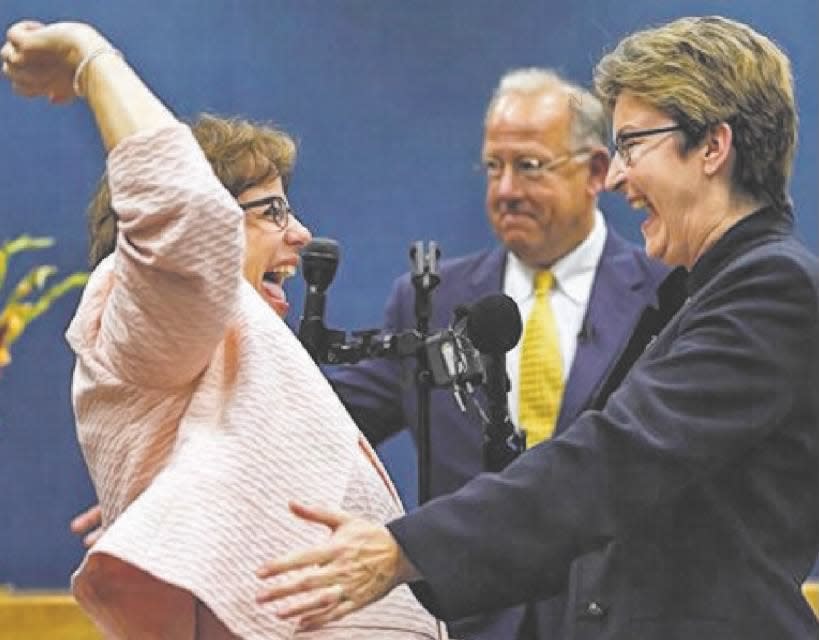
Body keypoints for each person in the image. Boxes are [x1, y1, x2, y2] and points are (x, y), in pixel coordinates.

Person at [255, 15, 819, 640]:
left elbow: (617, 457)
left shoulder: (770, 288)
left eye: (633, 145)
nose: (623, 178)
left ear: (713, 146)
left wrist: (403, 550)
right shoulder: (707, 287)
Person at [1, 19, 445, 639]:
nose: (301, 235)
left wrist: (186, 501)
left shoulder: (220, 361)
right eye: (272, 212)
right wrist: (88, 56)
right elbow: (185, 216)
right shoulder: (143, 315)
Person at [325, 68, 667, 639]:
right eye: (493, 167)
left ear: (596, 172)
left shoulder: (664, 296)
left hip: (616, 620)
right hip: (470, 623)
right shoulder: (429, 305)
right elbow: (329, 425)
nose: (505, 190)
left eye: (529, 166)